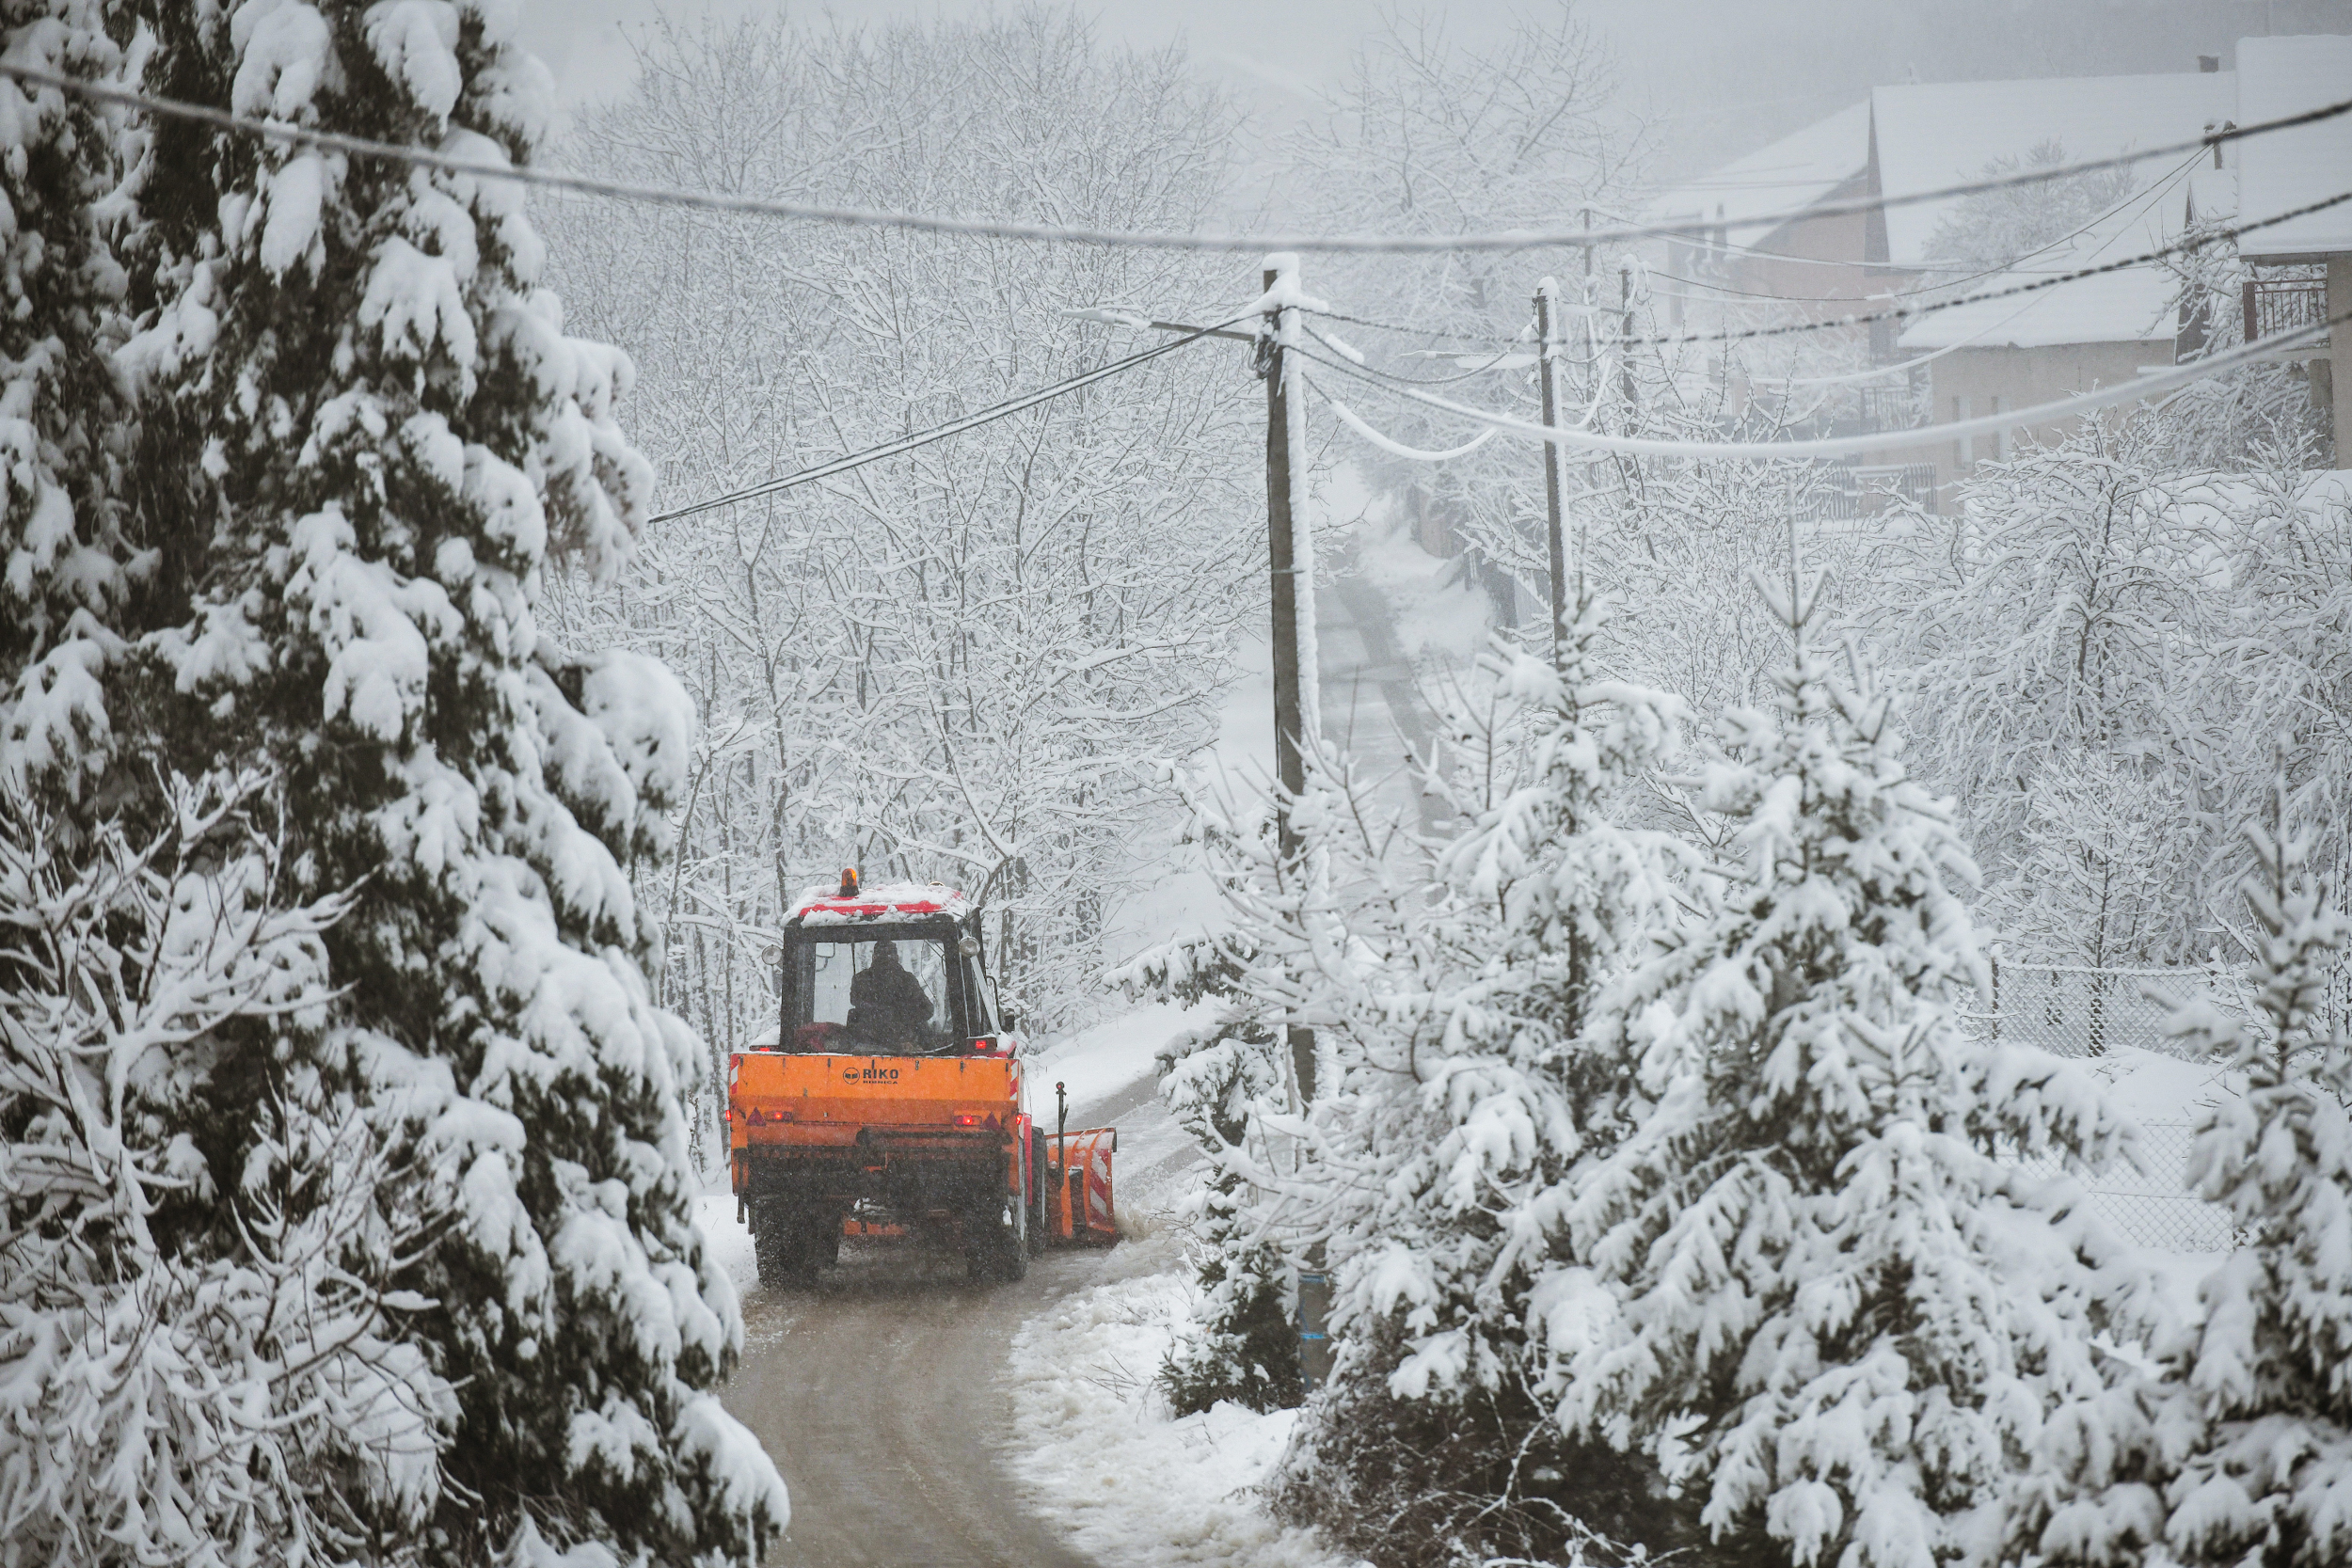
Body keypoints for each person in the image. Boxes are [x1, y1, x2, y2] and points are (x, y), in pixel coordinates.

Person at [849, 942, 933, 1039]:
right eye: (882, 955)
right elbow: (927, 1009)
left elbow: (927, 1009)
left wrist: (902, 1019)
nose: (885, 960)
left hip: (899, 1039)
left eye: (888, 955)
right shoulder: (907, 980)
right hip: (873, 1040)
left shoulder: (861, 979)